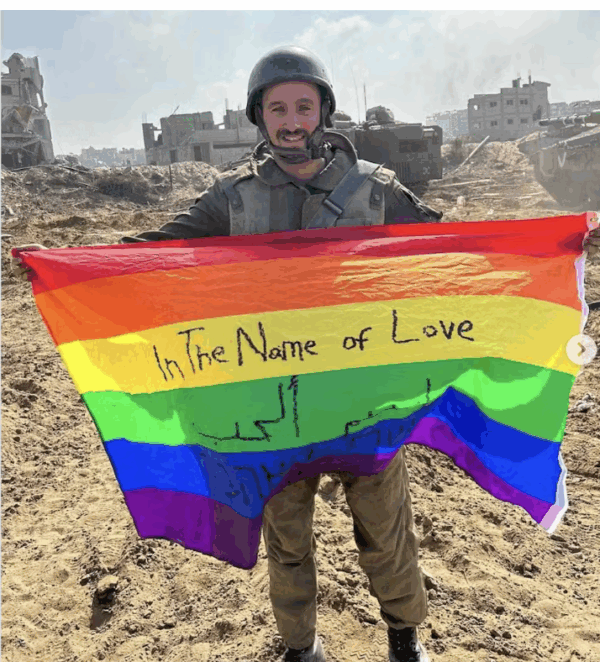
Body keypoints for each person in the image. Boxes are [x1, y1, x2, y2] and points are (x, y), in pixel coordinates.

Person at [11, 46, 600, 662]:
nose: (291, 121)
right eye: (277, 109)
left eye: (303, 106)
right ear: (259, 117)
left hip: (369, 400)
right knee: (287, 539)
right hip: (272, 408)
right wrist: (65, 266)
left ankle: (404, 640)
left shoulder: (375, 190)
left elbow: (450, 251)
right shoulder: (232, 199)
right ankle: (301, 646)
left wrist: (546, 249)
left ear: (323, 111)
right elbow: (152, 252)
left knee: (386, 532)